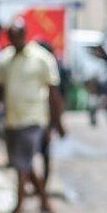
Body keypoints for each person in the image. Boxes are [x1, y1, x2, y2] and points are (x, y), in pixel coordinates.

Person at [0, 20, 65, 213]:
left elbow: (54, 92)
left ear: (25, 34)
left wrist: (57, 122)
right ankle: (45, 202)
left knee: (22, 163)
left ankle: (18, 210)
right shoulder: (6, 59)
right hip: (12, 119)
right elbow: (0, 87)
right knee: (22, 163)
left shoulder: (41, 58)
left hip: (34, 119)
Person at [35, 41, 70, 187]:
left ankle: (42, 186)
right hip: (37, 116)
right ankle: (40, 185)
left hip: (46, 116)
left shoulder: (53, 68)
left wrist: (58, 122)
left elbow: (57, 97)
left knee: (45, 152)